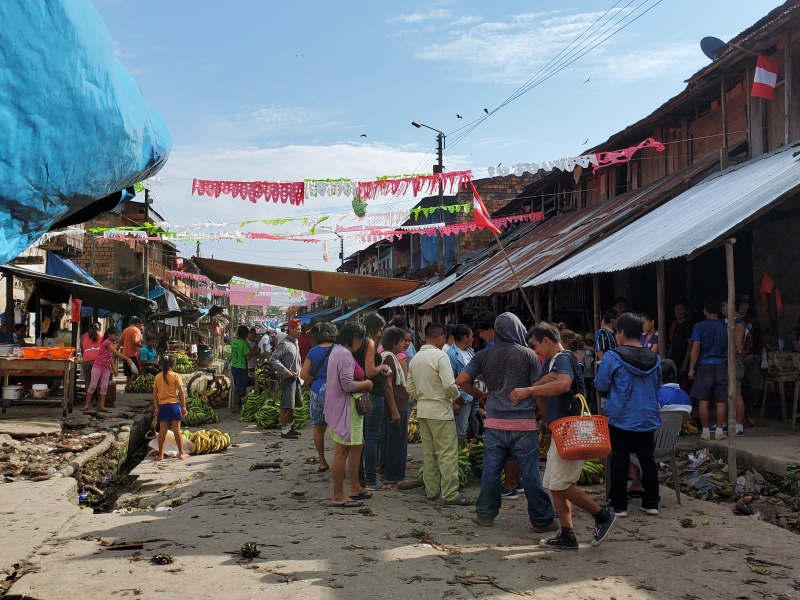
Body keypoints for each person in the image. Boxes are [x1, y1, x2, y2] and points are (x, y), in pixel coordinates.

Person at [510, 323, 618, 549]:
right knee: (554, 483)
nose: (535, 350)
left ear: (547, 341)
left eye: (536, 345)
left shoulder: (563, 358)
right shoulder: (549, 363)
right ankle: (567, 534)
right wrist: (538, 387)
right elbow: (542, 387)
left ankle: (602, 516)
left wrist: (530, 390)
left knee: (559, 483)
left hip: (571, 430)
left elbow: (563, 384)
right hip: (560, 429)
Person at [455, 313, 556, 531]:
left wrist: (479, 395)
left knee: (491, 471)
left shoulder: (483, 355)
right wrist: (546, 416)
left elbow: (461, 380)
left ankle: (485, 515)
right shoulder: (528, 355)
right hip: (523, 424)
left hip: (494, 424)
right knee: (530, 473)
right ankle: (542, 519)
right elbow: (536, 390)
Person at [594, 312, 661, 518]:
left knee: (619, 460)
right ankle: (651, 503)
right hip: (648, 416)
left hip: (621, 417)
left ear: (621, 333)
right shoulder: (655, 358)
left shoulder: (613, 356)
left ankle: (619, 505)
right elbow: (657, 386)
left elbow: (601, 385)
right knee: (647, 460)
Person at [406, 322, 470, 505]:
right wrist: (457, 398)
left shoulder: (417, 357)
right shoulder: (440, 356)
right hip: (440, 411)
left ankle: (431, 490)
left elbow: (409, 386)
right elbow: (449, 385)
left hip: (424, 410)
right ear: (441, 338)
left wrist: (424, 396)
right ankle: (450, 493)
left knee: (429, 453)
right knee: (447, 453)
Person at [325, 322, 374, 508]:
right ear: (355, 338)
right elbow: (347, 385)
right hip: (345, 408)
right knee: (342, 451)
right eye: (360, 340)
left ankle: (355, 487)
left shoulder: (336, 351)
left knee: (357, 445)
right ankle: (338, 495)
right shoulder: (344, 355)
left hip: (341, 407)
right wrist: (366, 384)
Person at [627, 359, 691, 496]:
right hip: (669, 444)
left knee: (624, 439)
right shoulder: (686, 398)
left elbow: (641, 417)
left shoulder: (656, 395)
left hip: (650, 445)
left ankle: (634, 484)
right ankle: (638, 483)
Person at [354, 313, 395, 490]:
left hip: (360, 392)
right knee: (371, 437)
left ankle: (362, 476)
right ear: (379, 328)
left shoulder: (357, 343)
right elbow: (370, 371)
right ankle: (371, 479)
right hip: (373, 392)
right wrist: (383, 367)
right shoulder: (369, 343)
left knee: (362, 436)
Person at [379, 326, 415, 488]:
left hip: (394, 406)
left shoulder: (387, 356)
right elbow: (388, 386)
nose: (404, 345)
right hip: (394, 406)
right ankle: (393, 476)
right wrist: (394, 410)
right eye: (402, 342)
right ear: (394, 343)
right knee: (396, 442)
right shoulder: (389, 358)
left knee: (389, 440)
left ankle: (385, 472)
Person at [688, 297, 729, 441]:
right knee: (721, 400)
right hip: (721, 365)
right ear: (719, 310)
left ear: (705, 311)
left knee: (703, 400)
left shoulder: (699, 326)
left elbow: (696, 347)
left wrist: (691, 368)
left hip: (704, 365)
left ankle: (705, 432)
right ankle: (719, 431)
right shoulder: (726, 326)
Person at [300, 322, 337, 473]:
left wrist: (313, 381)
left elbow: (303, 375)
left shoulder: (313, 352)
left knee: (318, 429)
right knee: (338, 429)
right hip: (336, 391)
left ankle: (322, 462)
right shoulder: (339, 350)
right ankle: (340, 460)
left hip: (318, 391)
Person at [82, 327, 133, 413]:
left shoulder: (111, 344)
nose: (116, 337)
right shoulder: (107, 342)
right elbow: (116, 353)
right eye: (115, 336)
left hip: (106, 368)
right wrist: (127, 358)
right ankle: (86, 405)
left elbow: (110, 358)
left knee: (104, 387)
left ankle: (101, 405)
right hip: (97, 366)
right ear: (109, 335)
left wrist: (114, 369)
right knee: (92, 385)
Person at [270, 319, 303, 439]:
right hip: (288, 379)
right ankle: (284, 430)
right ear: (290, 329)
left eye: (300, 329)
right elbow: (273, 359)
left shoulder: (295, 342)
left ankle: (288, 427)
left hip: (296, 378)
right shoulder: (284, 344)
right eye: (297, 329)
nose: (299, 331)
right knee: (285, 405)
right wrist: (285, 372)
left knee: (292, 406)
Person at [152, 353, 189, 461]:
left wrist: (156, 407)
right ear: (174, 364)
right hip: (174, 406)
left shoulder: (157, 377)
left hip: (163, 406)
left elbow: (154, 393)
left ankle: (160, 455)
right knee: (176, 430)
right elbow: (181, 392)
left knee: (162, 431)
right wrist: (184, 406)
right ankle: (181, 453)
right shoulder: (176, 376)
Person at [447, 324, 478, 447]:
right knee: (461, 429)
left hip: (474, 393)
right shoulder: (451, 355)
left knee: (475, 425)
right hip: (462, 397)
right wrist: (455, 401)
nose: (473, 339)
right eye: (471, 336)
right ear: (465, 337)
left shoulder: (470, 351)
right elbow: (451, 380)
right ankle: (459, 457)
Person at [667, 299, 693, 392]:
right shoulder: (674, 325)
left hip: (684, 359)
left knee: (684, 385)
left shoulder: (688, 326)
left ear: (686, 311)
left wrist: (685, 363)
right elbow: (671, 342)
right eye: (676, 309)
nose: (678, 311)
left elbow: (690, 345)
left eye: (681, 309)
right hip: (674, 359)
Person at [230, 325, 252, 414]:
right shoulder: (244, 343)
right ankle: (235, 407)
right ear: (246, 335)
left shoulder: (234, 341)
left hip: (234, 366)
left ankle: (240, 405)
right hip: (241, 368)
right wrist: (252, 353)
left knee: (237, 386)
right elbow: (247, 358)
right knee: (239, 388)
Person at [119, 317, 144, 392]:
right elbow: (135, 342)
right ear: (137, 324)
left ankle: (128, 388)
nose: (141, 327)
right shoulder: (136, 330)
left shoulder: (126, 329)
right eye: (141, 325)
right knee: (136, 372)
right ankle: (128, 385)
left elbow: (120, 342)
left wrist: (116, 353)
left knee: (128, 373)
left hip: (125, 354)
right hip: (133, 355)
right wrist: (145, 346)